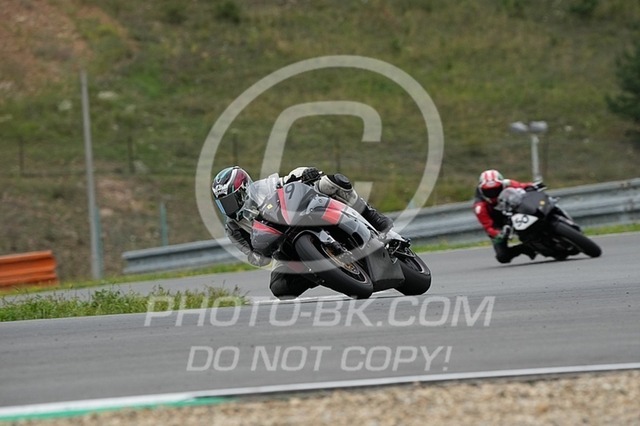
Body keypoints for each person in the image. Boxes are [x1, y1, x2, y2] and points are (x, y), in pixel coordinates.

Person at [211, 165, 393, 298]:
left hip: (302, 213)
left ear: (242, 191)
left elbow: (289, 179)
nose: (227, 208)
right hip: (282, 247)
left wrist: (305, 173)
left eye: (229, 201)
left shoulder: (264, 188)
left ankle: (371, 215)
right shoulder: (233, 228)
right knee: (279, 287)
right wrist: (261, 253)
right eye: (222, 204)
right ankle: (323, 274)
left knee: (329, 182)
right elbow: (253, 257)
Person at [473, 169, 539, 264]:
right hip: (498, 224)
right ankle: (526, 248)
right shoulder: (479, 207)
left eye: (496, 189)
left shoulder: (508, 183)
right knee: (502, 257)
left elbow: (522, 186)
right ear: (481, 190)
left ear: (502, 184)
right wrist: (499, 233)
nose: (493, 194)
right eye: (489, 191)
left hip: (515, 211)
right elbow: (488, 227)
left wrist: (531, 186)